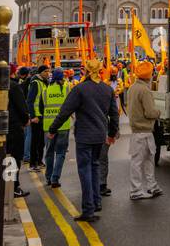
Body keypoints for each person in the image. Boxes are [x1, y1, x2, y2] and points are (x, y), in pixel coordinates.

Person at [48, 59, 119, 223]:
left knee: (85, 170)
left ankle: (88, 209)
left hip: (84, 136)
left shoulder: (79, 89)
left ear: (85, 71)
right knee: (95, 167)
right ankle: (96, 202)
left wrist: (52, 129)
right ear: (101, 70)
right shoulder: (107, 89)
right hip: (100, 136)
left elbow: (65, 111)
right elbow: (114, 114)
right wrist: (112, 133)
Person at [126, 61, 163, 202]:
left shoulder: (132, 88)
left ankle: (151, 187)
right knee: (145, 161)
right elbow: (149, 112)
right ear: (149, 75)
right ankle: (138, 190)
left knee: (140, 160)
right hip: (145, 130)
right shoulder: (145, 90)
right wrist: (159, 112)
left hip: (136, 130)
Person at [42, 68, 70, 188]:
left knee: (49, 153)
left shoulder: (45, 90)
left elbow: (43, 106)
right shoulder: (67, 88)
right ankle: (55, 178)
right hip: (63, 125)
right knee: (60, 153)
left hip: (48, 126)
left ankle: (48, 177)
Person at [7, 68, 30, 198]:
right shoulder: (14, 87)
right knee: (15, 157)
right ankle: (14, 187)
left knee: (6, 158)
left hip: (2, 126)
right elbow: (22, 107)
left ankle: (7, 186)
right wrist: (26, 120)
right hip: (14, 127)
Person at [26, 64, 49, 169]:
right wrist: (33, 116)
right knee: (35, 141)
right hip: (37, 116)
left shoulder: (44, 83)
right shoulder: (35, 83)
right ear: (40, 72)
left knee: (41, 142)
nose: (48, 74)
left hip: (43, 116)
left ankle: (39, 161)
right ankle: (33, 163)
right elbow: (30, 101)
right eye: (45, 72)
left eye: (48, 72)